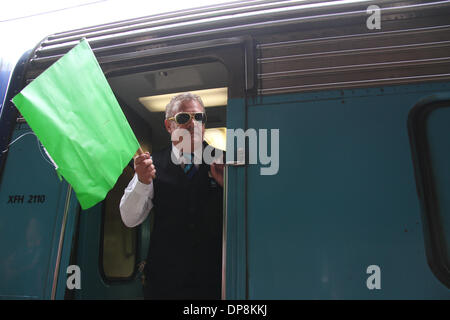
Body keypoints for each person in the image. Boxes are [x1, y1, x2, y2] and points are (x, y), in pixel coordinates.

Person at [120, 93, 224, 299]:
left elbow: (251, 219)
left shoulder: (224, 161)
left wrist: (227, 187)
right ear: (168, 126)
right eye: (184, 118)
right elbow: (129, 219)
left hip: (213, 282)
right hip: (164, 284)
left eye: (199, 118)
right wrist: (142, 181)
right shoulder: (151, 164)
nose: (193, 124)